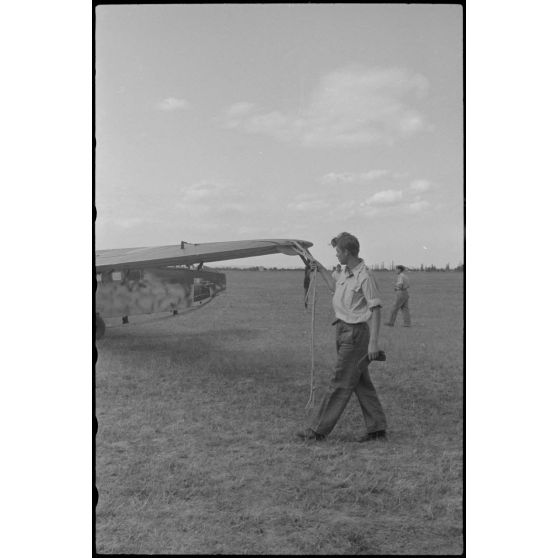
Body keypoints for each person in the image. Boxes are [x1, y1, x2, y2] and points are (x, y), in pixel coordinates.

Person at [297, 232, 387, 442]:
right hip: (343, 330)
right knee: (359, 382)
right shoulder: (345, 272)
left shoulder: (365, 276)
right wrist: (318, 267)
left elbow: (376, 309)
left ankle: (317, 430)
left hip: (355, 335)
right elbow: (333, 286)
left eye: (338, 251)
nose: (336, 255)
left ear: (347, 252)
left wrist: (373, 342)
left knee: (339, 381)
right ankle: (377, 428)